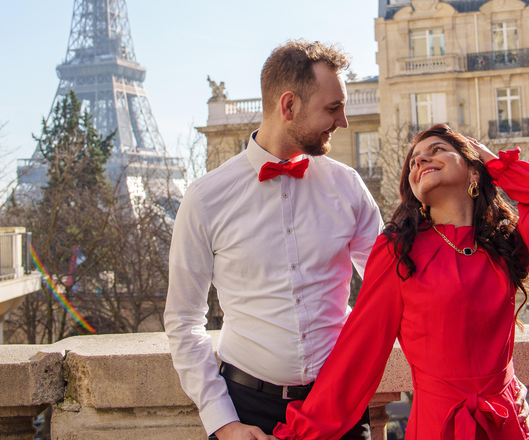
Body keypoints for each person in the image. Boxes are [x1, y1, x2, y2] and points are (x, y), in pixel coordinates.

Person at [273, 124, 529, 440]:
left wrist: (493, 163)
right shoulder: (399, 252)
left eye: (437, 150)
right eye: (414, 161)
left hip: (505, 422)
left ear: (473, 171)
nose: (420, 161)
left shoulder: (504, 248)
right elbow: (359, 350)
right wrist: (301, 431)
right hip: (438, 425)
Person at [164, 40, 383, 440]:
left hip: (341, 404)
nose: (344, 121)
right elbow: (183, 320)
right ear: (289, 106)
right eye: (332, 109)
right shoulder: (204, 198)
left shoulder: (348, 187)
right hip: (247, 408)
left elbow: (390, 287)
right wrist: (224, 422)